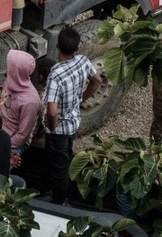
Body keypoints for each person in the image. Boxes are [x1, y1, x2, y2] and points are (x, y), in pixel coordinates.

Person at [43, 27, 101, 204]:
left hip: (58, 130)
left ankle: (59, 201)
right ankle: (57, 192)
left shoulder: (55, 75)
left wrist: (53, 126)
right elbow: (97, 80)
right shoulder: (83, 61)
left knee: (59, 168)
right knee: (65, 156)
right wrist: (81, 100)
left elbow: (52, 111)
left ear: (57, 46)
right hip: (73, 123)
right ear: (76, 48)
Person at [1, 50, 40, 155]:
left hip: (13, 142)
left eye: (9, 66)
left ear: (16, 70)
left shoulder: (30, 102)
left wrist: (1, 145)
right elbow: (1, 103)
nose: (7, 68)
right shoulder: (9, 81)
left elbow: (22, 136)